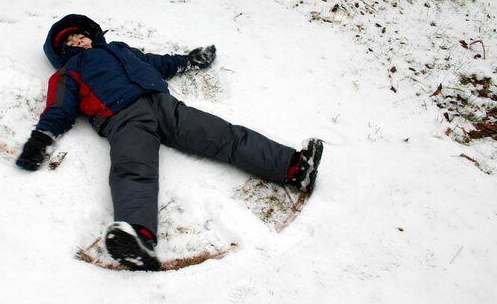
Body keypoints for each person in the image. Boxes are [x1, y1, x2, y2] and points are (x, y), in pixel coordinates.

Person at [17, 14, 323, 271]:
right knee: (133, 167)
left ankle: (294, 167)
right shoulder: (68, 73)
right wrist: (41, 137)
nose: (79, 42)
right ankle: (136, 236)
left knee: (222, 134)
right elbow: (59, 109)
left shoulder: (121, 49)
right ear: (63, 53)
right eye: (69, 43)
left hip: (164, 105)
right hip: (122, 118)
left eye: (81, 36)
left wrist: (188, 61)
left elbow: (157, 63)